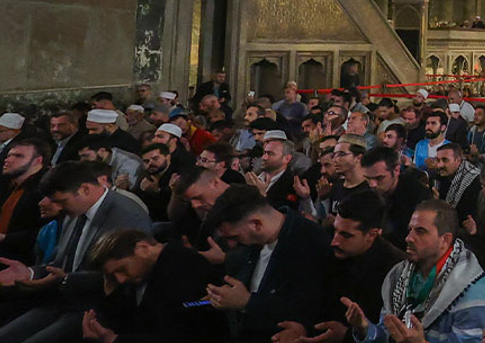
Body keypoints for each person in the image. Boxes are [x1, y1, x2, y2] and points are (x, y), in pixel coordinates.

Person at [0, 160, 152, 343]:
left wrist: (66, 280)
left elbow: (124, 277)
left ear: (85, 190)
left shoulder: (127, 216)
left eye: (62, 201)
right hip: (61, 300)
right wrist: (30, 273)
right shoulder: (74, 211)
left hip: (96, 310)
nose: (58, 208)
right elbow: (58, 262)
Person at [341, 199, 485, 343]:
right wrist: (365, 329)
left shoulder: (472, 292)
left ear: (445, 240)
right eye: (410, 230)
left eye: (420, 231)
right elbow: (388, 336)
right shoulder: (399, 276)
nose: (409, 238)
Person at [204, 185, 333, 343]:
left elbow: (310, 307)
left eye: (235, 237)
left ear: (257, 224)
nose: (231, 245)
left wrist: (247, 302)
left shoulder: (309, 241)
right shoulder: (255, 242)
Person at [80, 229, 229, 343]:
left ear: (143, 247)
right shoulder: (143, 273)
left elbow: (180, 335)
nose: (120, 279)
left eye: (121, 270)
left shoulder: (184, 267)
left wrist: (115, 340)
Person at [361, 146, 435, 250]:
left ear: (396, 170)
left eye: (379, 178)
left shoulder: (417, 194)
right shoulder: (365, 192)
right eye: (368, 179)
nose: (372, 184)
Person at [0, 139, 49, 263]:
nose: (8, 160)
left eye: (18, 156)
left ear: (38, 160)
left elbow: (47, 232)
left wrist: (5, 238)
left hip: (24, 262)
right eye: (8, 155)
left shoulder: (46, 190)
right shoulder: (9, 184)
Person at [435, 143, 482, 221]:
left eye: (445, 160)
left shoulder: (474, 180)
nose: (439, 165)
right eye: (437, 160)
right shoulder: (442, 175)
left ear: (458, 160)